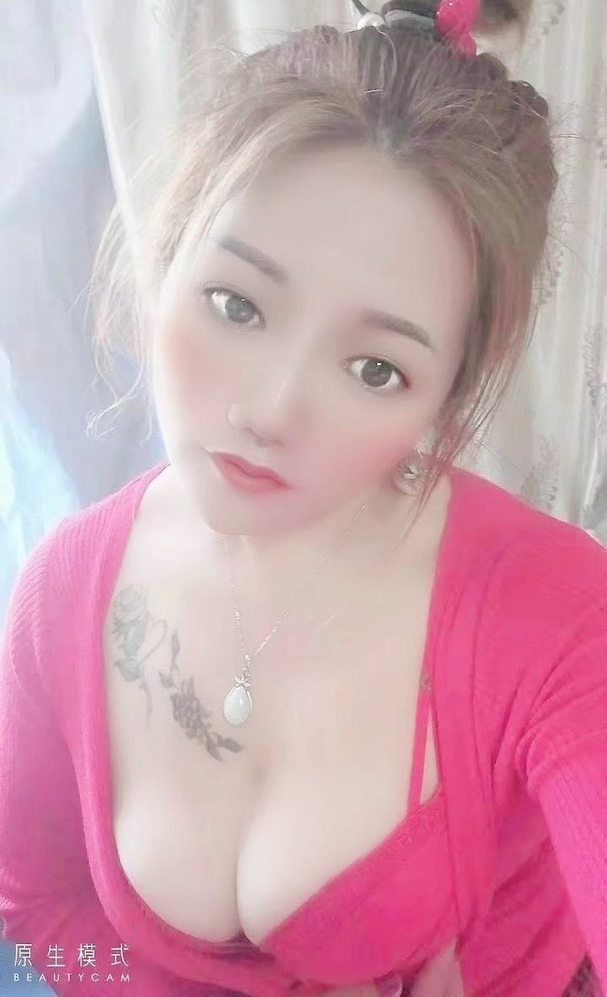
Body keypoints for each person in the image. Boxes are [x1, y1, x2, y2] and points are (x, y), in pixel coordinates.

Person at [1, 1, 605, 994]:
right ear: (165, 256)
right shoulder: (60, 587)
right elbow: (39, 912)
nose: (271, 410)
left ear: (443, 402)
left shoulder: (555, 617)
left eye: (374, 369)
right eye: (236, 305)